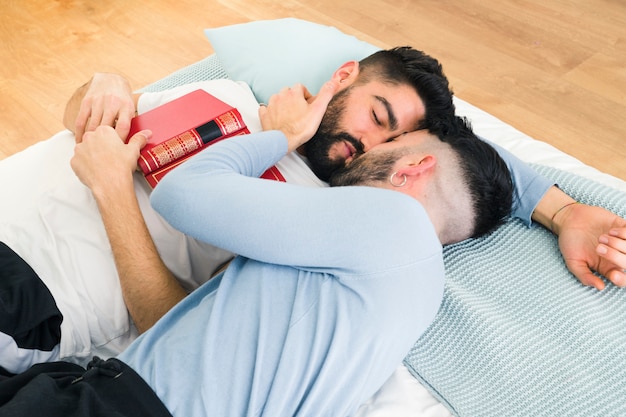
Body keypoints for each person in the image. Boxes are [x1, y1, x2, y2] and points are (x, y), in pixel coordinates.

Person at [1, 46, 625, 375]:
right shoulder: (226, 95)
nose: (372, 146)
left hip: (36, 300)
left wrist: (563, 210)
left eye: (394, 141)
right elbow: (85, 119)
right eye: (376, 115)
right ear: (345, 75)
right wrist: (104, 82)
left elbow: (173, 329)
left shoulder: (314, 225)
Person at [0, 90, 515, 416]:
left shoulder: (393, 219)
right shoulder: (415, 298)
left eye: (392, 143)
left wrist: (281, 135)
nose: (368, 148)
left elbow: (181, 194)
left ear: (415, 167)